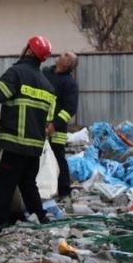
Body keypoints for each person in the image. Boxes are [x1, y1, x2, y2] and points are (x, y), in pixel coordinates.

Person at [0, 35, 56, 233]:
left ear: (29, 51)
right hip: (35, 146)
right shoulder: (48, 86)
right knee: (28, 183)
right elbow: (46, 120)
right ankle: (42, 217)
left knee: (5, 184)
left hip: (15, 142)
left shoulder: (16, 74)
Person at [43, 52, 79, 199]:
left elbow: (70, 109)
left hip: (56, 129)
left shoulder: (70, 83)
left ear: (68, 64)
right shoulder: (45, 73)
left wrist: (55, 125)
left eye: (66, 55)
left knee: (58, 158)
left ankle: (64, 191)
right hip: (38, 123)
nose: (61, 55)